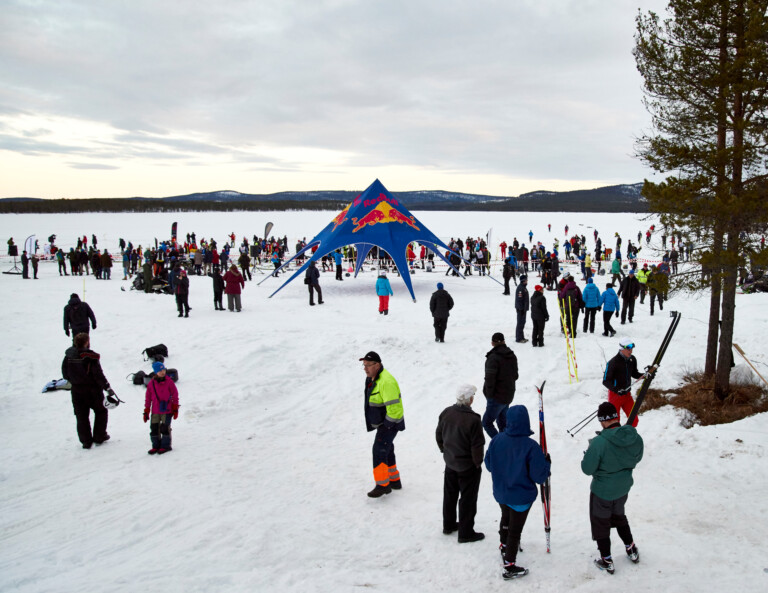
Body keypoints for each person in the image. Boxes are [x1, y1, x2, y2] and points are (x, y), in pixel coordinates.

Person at [485, 405, 551, 580]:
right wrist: (546, 464)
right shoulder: (531, 447)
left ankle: (503, 544)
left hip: (501, 493)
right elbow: (539, 476)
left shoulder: (497, 440)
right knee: (515, 530)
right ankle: (509, 565)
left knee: (506, 517)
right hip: (521, 497)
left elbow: (489, 464)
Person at [581, 402, 643, 574]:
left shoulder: (599, 443)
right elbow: (637, 458)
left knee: (601, 522)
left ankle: (607, 560)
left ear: (602, 420)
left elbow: (587, 469)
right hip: (623, 488)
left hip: (602, 492)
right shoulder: (634, 437)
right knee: (619, 516)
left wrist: (588, 456)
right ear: (616, 417)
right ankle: (631, 549)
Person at [436, 384, 485, 543]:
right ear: (470, 400)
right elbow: (477, 445)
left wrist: (445, 451)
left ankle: (448, 524)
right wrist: (477, 463)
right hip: (468, 467)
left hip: (450, 463)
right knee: (467, 499)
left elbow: (439, 434)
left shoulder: (446, 413)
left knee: (449, 495)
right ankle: (466, 532)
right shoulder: (473, 420)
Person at [361, 351, 405, 498]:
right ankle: (394, 480)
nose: (365, 368)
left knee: (379, 450)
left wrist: (386, 426)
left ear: (377, 365)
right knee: (387, 449)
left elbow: (395, 409)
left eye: (368, 365)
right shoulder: (373, 378)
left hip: (390, 423)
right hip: (383, 422)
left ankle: (382, 485)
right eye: (364, 365)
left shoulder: (386, 382)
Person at [61, 333, 115, 448]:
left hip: (76, 390)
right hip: (93, 390)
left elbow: (65, 373)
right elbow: (98, 375)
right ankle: (99, 436)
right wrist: (107, 387)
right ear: (86, 342)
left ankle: (86, 441)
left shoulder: (69, 356)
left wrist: (74, 381)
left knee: (81, 416)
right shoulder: (90, 356)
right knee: (101, 411)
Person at [602, 338, 655, 427]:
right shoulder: (613, 362)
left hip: (627, 395)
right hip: (615, 396)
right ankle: (614, 434)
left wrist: (645, 375)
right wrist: (617, 390)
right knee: (614, 424)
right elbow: (605, 381)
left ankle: (624, 433)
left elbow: (634, 373)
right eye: (628, 349)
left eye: (631, 349)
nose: (631, 351)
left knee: (634, 420)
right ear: (621, 349)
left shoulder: (632, 359)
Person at [482, 332, 519, 438]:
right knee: (503, 423)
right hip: (508, 396)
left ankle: (500, 443)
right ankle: (506, 442)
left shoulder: (493, 358)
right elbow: (516, 376)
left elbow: (489, 380)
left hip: (496, 398)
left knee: (486, 423)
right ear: (503, 341)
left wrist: (489, 395)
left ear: (492, 343)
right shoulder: (511, 355)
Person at [143, 361, 179, 455]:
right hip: (155, 410)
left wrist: (175, 408)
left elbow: (175, 395)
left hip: (167, 410)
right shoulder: (151, 384)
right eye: (160, 371)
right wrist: (146, 410)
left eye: (163, 370)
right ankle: (156, 446)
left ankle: (166, 446)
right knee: (154, 428)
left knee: (165, 428)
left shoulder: (169, 382)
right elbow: (148, 398)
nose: (162, 372)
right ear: (156, 372)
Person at [515, 275, 529, 343]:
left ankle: (522, 337)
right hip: (521, 309)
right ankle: (519, 338)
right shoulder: (520, 288)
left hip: (523, 309)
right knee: (520, 323)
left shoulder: (523, 287)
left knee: (522, 323)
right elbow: (519, 299)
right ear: (523, 281)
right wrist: (521, 309)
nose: (527, 281)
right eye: (526, 280)